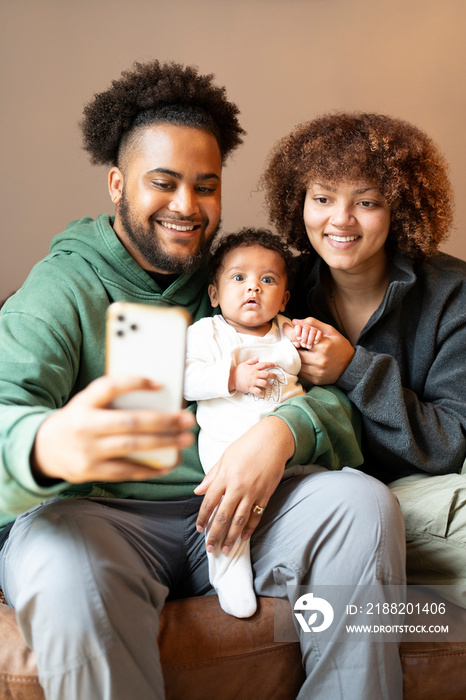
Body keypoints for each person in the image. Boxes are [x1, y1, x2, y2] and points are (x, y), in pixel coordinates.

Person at [0, 62, 405, 700]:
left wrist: (282, 433)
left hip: (239, 513)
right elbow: (5, 410)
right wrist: (50, 442)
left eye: (206, 186)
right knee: (59, 557)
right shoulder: (59, 290)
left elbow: (317, 388)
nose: (187, 207)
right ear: (116, 184)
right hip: (99, 519)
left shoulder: (239, 277)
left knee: (362, 507)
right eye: (163, 183)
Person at [262, 111, 466, 608]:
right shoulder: (273, 289)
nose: (340, 219)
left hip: (421, 500)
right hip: (311, 504)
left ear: (400, 209)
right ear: (299, 204)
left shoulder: (451, 294)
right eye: (323, 198)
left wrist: (353, 369)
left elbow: (450, 445)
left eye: (367, 202)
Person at [184, 227, 320, 618]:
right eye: (239, 278)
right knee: (228, 512)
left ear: (284, 298)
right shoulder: (209, 333)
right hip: (227, 450)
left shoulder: (287, 332)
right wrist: (231, 377)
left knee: (329, 482)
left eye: (268, 280)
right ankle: (227, 568)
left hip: (286, 452)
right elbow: (185, 379)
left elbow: (317, 361)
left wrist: (309, 333)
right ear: (214, 294)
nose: (253, 288)